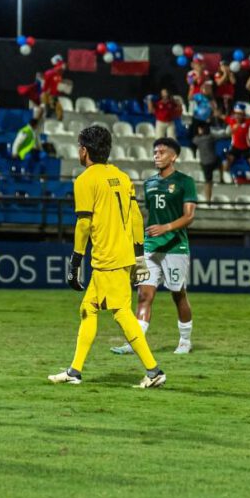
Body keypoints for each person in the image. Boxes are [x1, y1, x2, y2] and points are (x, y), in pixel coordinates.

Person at [48, 125, 166, 388]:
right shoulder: (122, 177)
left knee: (122, 313)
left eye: (80, 147)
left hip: (106, 258)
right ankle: (74, 371)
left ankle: (154, 370)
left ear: (84, 150)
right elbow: (136, 217)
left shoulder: (85, 180)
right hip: (123, 255)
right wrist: (138, 256)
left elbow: (84, 225)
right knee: (88, 308)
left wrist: (75, 262)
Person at [111, 138, 198, 356]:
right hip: (150, 246)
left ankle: (185, 341)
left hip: (175, 247)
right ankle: (135, 343)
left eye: (161, 152)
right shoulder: (149, 183)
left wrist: (166, 227)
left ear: (174, 156)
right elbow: (149, 216)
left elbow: (189, 216)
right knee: (143, 294)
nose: (156, 155)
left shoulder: (185, 182)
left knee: (177, 293)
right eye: (154, 152)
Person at [190, 125, 231, 201]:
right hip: (213, 160)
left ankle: (208, 200)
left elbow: (192, 144)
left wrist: (194, 154)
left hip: (205, 163)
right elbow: (222, 136)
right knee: (220, 163)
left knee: (208, 182)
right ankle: (221, 178)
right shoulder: (211, 137)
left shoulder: (197, 139)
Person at [224, 104, 250, 173]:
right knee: (228, 161)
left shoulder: (248, 121)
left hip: (246, 148)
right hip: (235, 147)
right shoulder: (231, 121)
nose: (237, 116)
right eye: (236, 114)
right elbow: (221, 116)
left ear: (243, 114)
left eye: (239, 114)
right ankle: (225, 175)